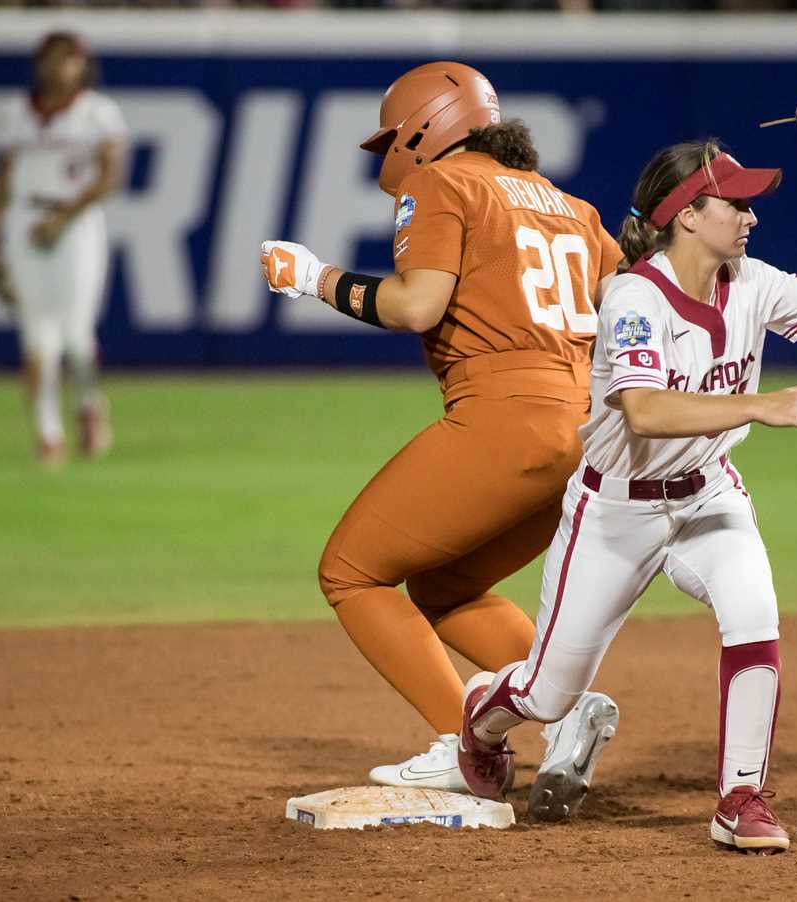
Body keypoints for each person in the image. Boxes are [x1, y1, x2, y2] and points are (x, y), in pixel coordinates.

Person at [457, 139, 797, 850]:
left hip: (708, 498)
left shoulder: (752, 282)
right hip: (614, 510)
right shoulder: (634, 296)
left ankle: (741, 798)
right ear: (686, 216)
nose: (751, 217)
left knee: (754, 611)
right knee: (550, 692)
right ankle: (482, 717)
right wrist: (759, 406)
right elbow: (646, 411)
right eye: (737, 204)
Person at [259, 61, 621, 820]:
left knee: (352, 573)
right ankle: (566, 710)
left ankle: (466, 746)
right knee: (445, 586)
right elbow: (633, 309)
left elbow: (417, 305)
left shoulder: (445, 184)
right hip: (585, 433)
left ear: (425, 128)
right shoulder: (571, 206)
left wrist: (314, 278)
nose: (391, 154)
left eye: (394, 137)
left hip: (504, 415)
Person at [0, 31, 127, 467]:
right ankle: (48, 433)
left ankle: (88, 404)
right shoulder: (14, 116)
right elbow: (2, 185)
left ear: (83, 65)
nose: (61, 68)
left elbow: (110, 177)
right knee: (37, 333)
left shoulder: (98, 113)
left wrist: (63, 219)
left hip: (76, 224)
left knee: (76, 336)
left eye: (70, 59)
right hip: (24, 222)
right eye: (53, 58)